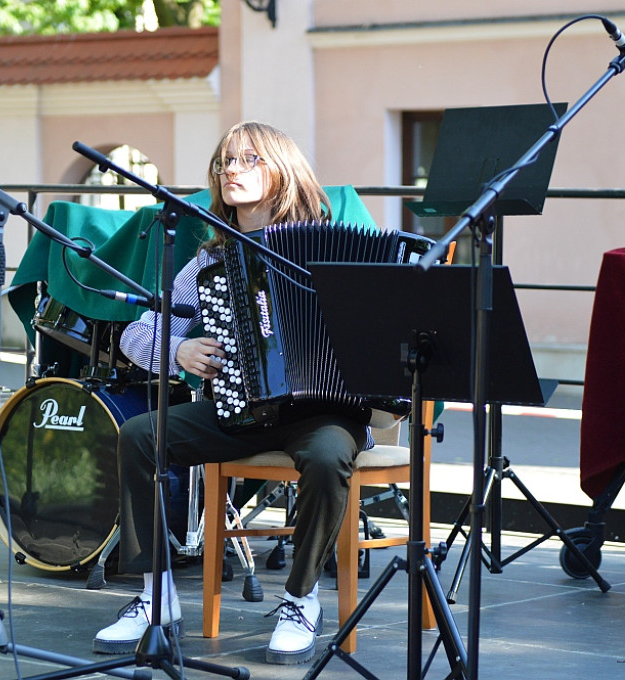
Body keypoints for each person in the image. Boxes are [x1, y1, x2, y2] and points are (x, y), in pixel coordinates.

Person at [92, 121, 371, 665]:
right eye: (223, 163)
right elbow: (138, 331)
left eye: (247, 160)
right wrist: (178, 351)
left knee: (328, 456)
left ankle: (300, 598)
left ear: (281, 170)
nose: (229, 171)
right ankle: (157, 593)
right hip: (238, 409)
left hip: (321, 414)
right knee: (139, 436)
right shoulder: (207, 262)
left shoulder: (332, 249)